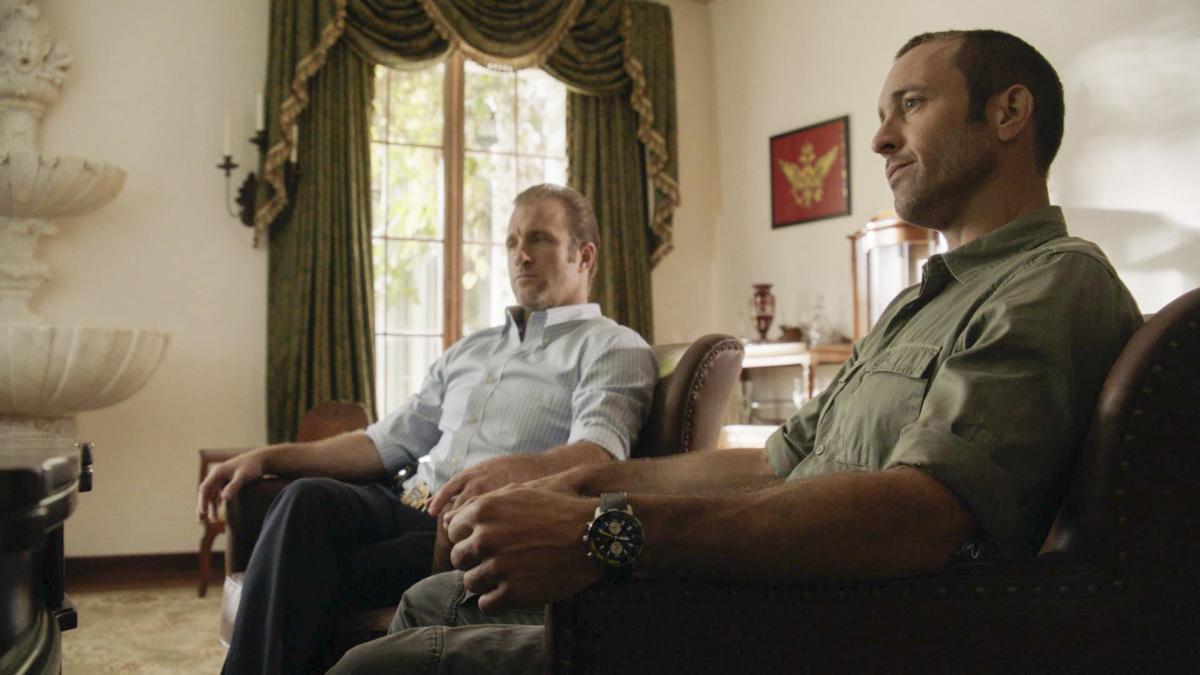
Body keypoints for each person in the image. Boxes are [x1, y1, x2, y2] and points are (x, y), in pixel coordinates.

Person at [329, 29, 1146, 673]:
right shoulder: (915, 305)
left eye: (912, 104)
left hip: (821, 623)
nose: (880, 138)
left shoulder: (1054, 282)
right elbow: (772, 462)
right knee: (434, 598)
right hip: (750, 585)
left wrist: (599, 531)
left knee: (375, 665)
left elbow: (918, 516)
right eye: (884, 112)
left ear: (1009, 113)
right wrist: (577, 482)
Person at [197, 183, 657, 674]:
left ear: (584, 256)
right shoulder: (472, 349)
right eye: (512, 241)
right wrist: (266, 457)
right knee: (304, 498)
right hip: (405, 500)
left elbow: (598, 452)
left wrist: (508, 471)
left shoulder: (611, 346)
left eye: (540, 239)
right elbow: (384, 442)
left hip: (469, 528)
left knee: (299, 572)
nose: (520, 255)